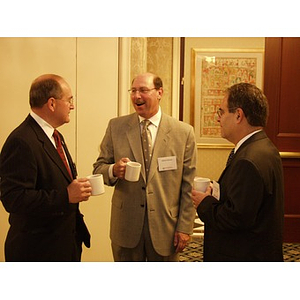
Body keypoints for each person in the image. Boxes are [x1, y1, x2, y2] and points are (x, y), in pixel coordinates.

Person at [93, 72, 197, 261]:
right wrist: (113, 170)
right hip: (125, 227)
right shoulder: (116, 127)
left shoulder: (184, 133)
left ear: (159, 93)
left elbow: (188, 185)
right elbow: (99, 168)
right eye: (133, 91)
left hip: (166, 228)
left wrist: (184, 227)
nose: (136, 96)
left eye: (143, 90)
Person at [0, 74, 92, 261]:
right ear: (52, 103)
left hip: (64, 245)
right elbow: (14, 199)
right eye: (69, 100)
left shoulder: (55, 136)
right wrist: (66, 195)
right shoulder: (22, 141)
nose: (72, 106)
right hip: (37, 251)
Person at [192, 82, 284, 261]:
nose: (218, 119)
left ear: (238, 115)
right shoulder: (263, 146)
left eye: (222, 112)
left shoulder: (248, 160)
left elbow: (235, 219)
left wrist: (204, 203)